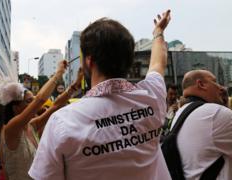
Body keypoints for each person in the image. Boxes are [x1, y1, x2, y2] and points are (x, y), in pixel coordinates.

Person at [29, 10, 171, 180]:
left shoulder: (63, 121)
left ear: (89, 61)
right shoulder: (151, 97)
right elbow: (158, 63)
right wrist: (158, 32)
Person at [0, 62, 83, 180]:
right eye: (29, 101)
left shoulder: (31, 125)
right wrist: (58, 73)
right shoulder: (11, 128)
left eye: (33, 100)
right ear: (16, 107)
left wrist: (75, 85)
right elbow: (40, 99)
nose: (34, 104)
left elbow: (56, 105)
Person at [170, 70, 232, 179]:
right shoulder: (215, 113)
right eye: (215, 82)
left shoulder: (181, 113)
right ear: (201, 84)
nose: (221, 88)